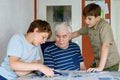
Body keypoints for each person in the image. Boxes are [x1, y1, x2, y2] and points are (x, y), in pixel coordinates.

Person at [71, 3, 120, 72]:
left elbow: (105, 46)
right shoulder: (89, 26)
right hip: (98, 60)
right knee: (89, 75)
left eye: (89, 19)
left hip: (110, 63)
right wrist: (63, 38)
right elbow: (77, 33)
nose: (86, 21)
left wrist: (100, 67)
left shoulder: (104, 27)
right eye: (85, 18)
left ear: (98, 18)